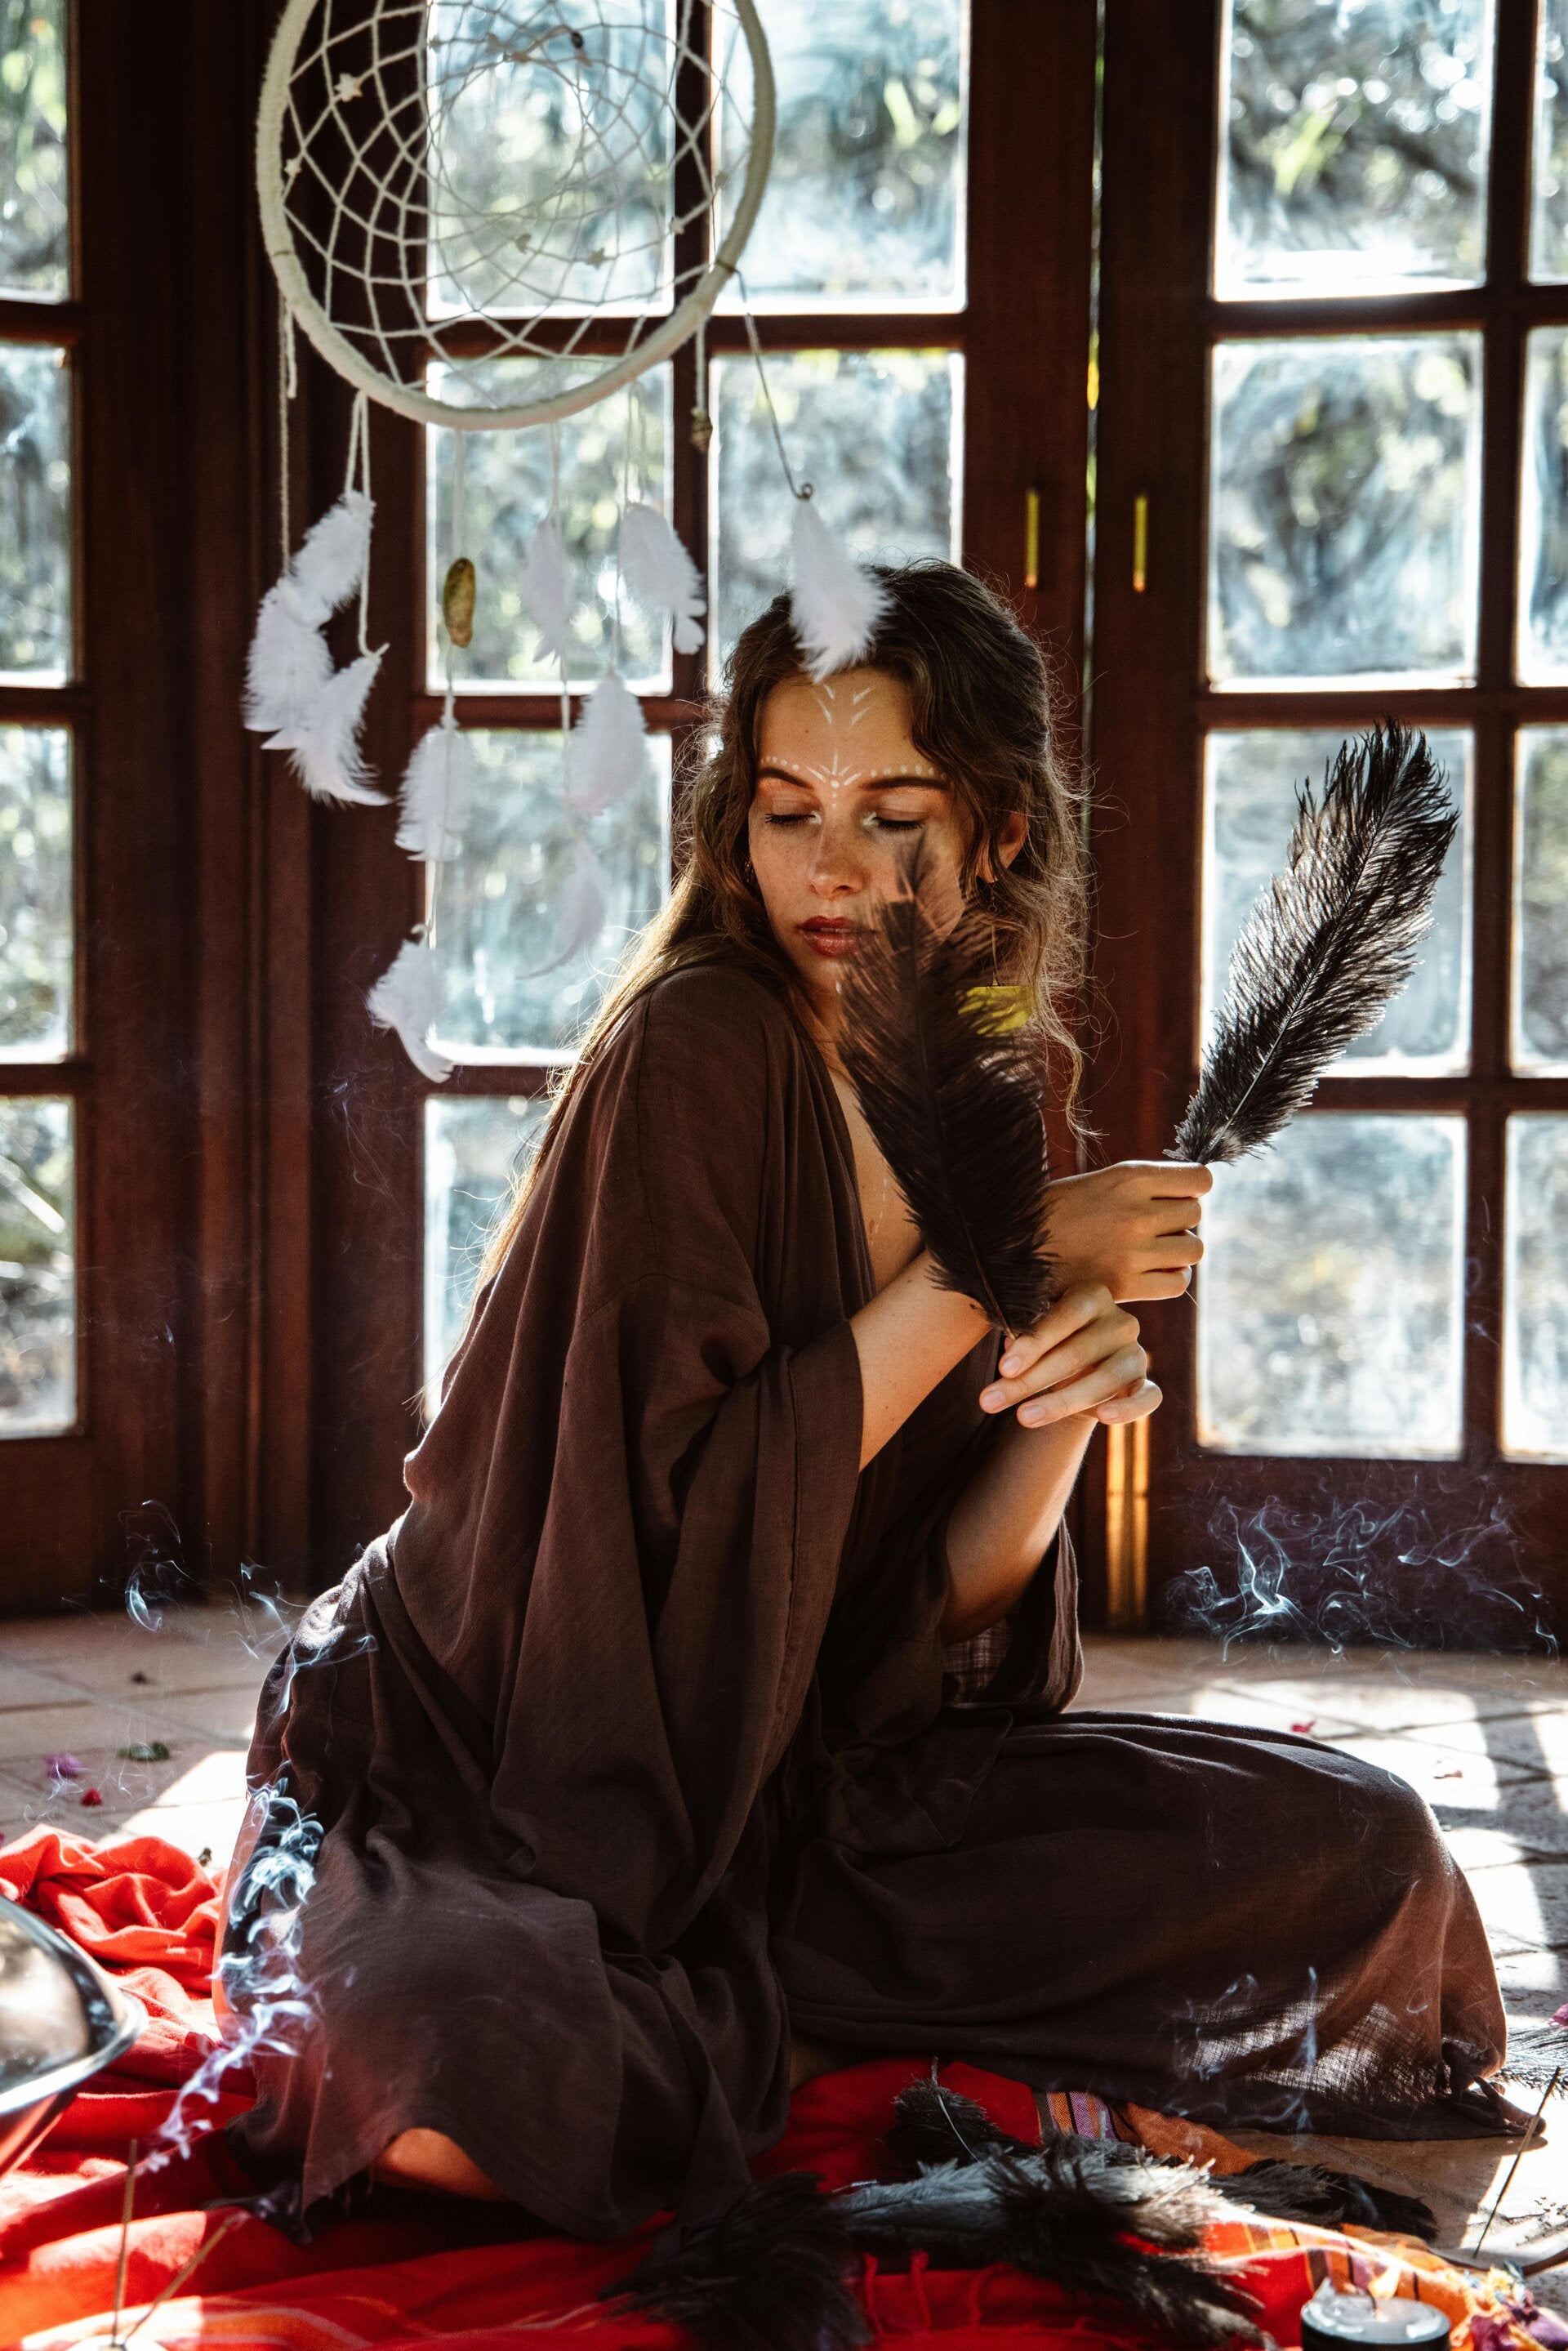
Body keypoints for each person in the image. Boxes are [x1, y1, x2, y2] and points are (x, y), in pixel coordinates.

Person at [226, 562, 1511, 2240]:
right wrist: (1006, 1260)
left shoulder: (981, 1086)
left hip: (804, 1782)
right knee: (454, 2079)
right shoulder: (703, 1048)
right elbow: (652, 1550)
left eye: (891, 811)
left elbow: (938, 1628)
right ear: (732, 825)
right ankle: (813, 2019)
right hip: (507, 1757)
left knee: (1373, 1853)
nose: (828, 868)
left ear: (995, 833)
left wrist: (1056, 1401)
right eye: (785, 810)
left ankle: (787, 2010)